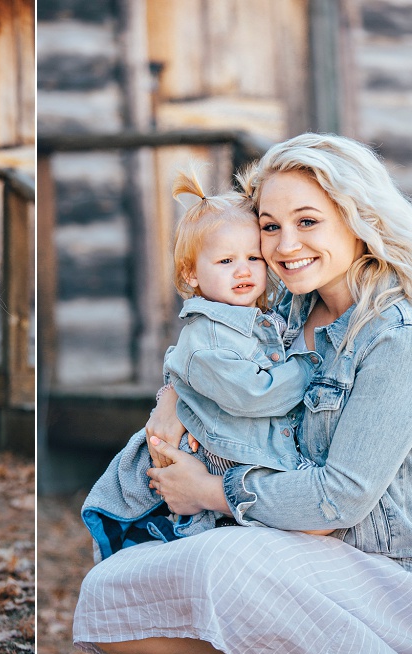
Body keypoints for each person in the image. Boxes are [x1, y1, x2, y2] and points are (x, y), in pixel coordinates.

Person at [73, 133, 412, 654]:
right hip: (282, 542)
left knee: (223, 568)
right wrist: (170, 397)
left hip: (379, 571)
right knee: (111, 591)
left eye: (307, 222)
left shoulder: (400, 340)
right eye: (270, 226)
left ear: (358, 219)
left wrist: (210, 491)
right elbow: (209, 356)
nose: (284, 247)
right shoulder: (288, 311)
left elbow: (339, 500)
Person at [81, 169, 323, 559]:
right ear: (191, 273)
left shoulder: (262, 318)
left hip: (253, 462)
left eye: (253, 258)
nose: (243, 270)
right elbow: (252, 393)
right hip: (222, 461)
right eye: (226, 260)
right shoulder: (207, 337)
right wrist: (312, 366)